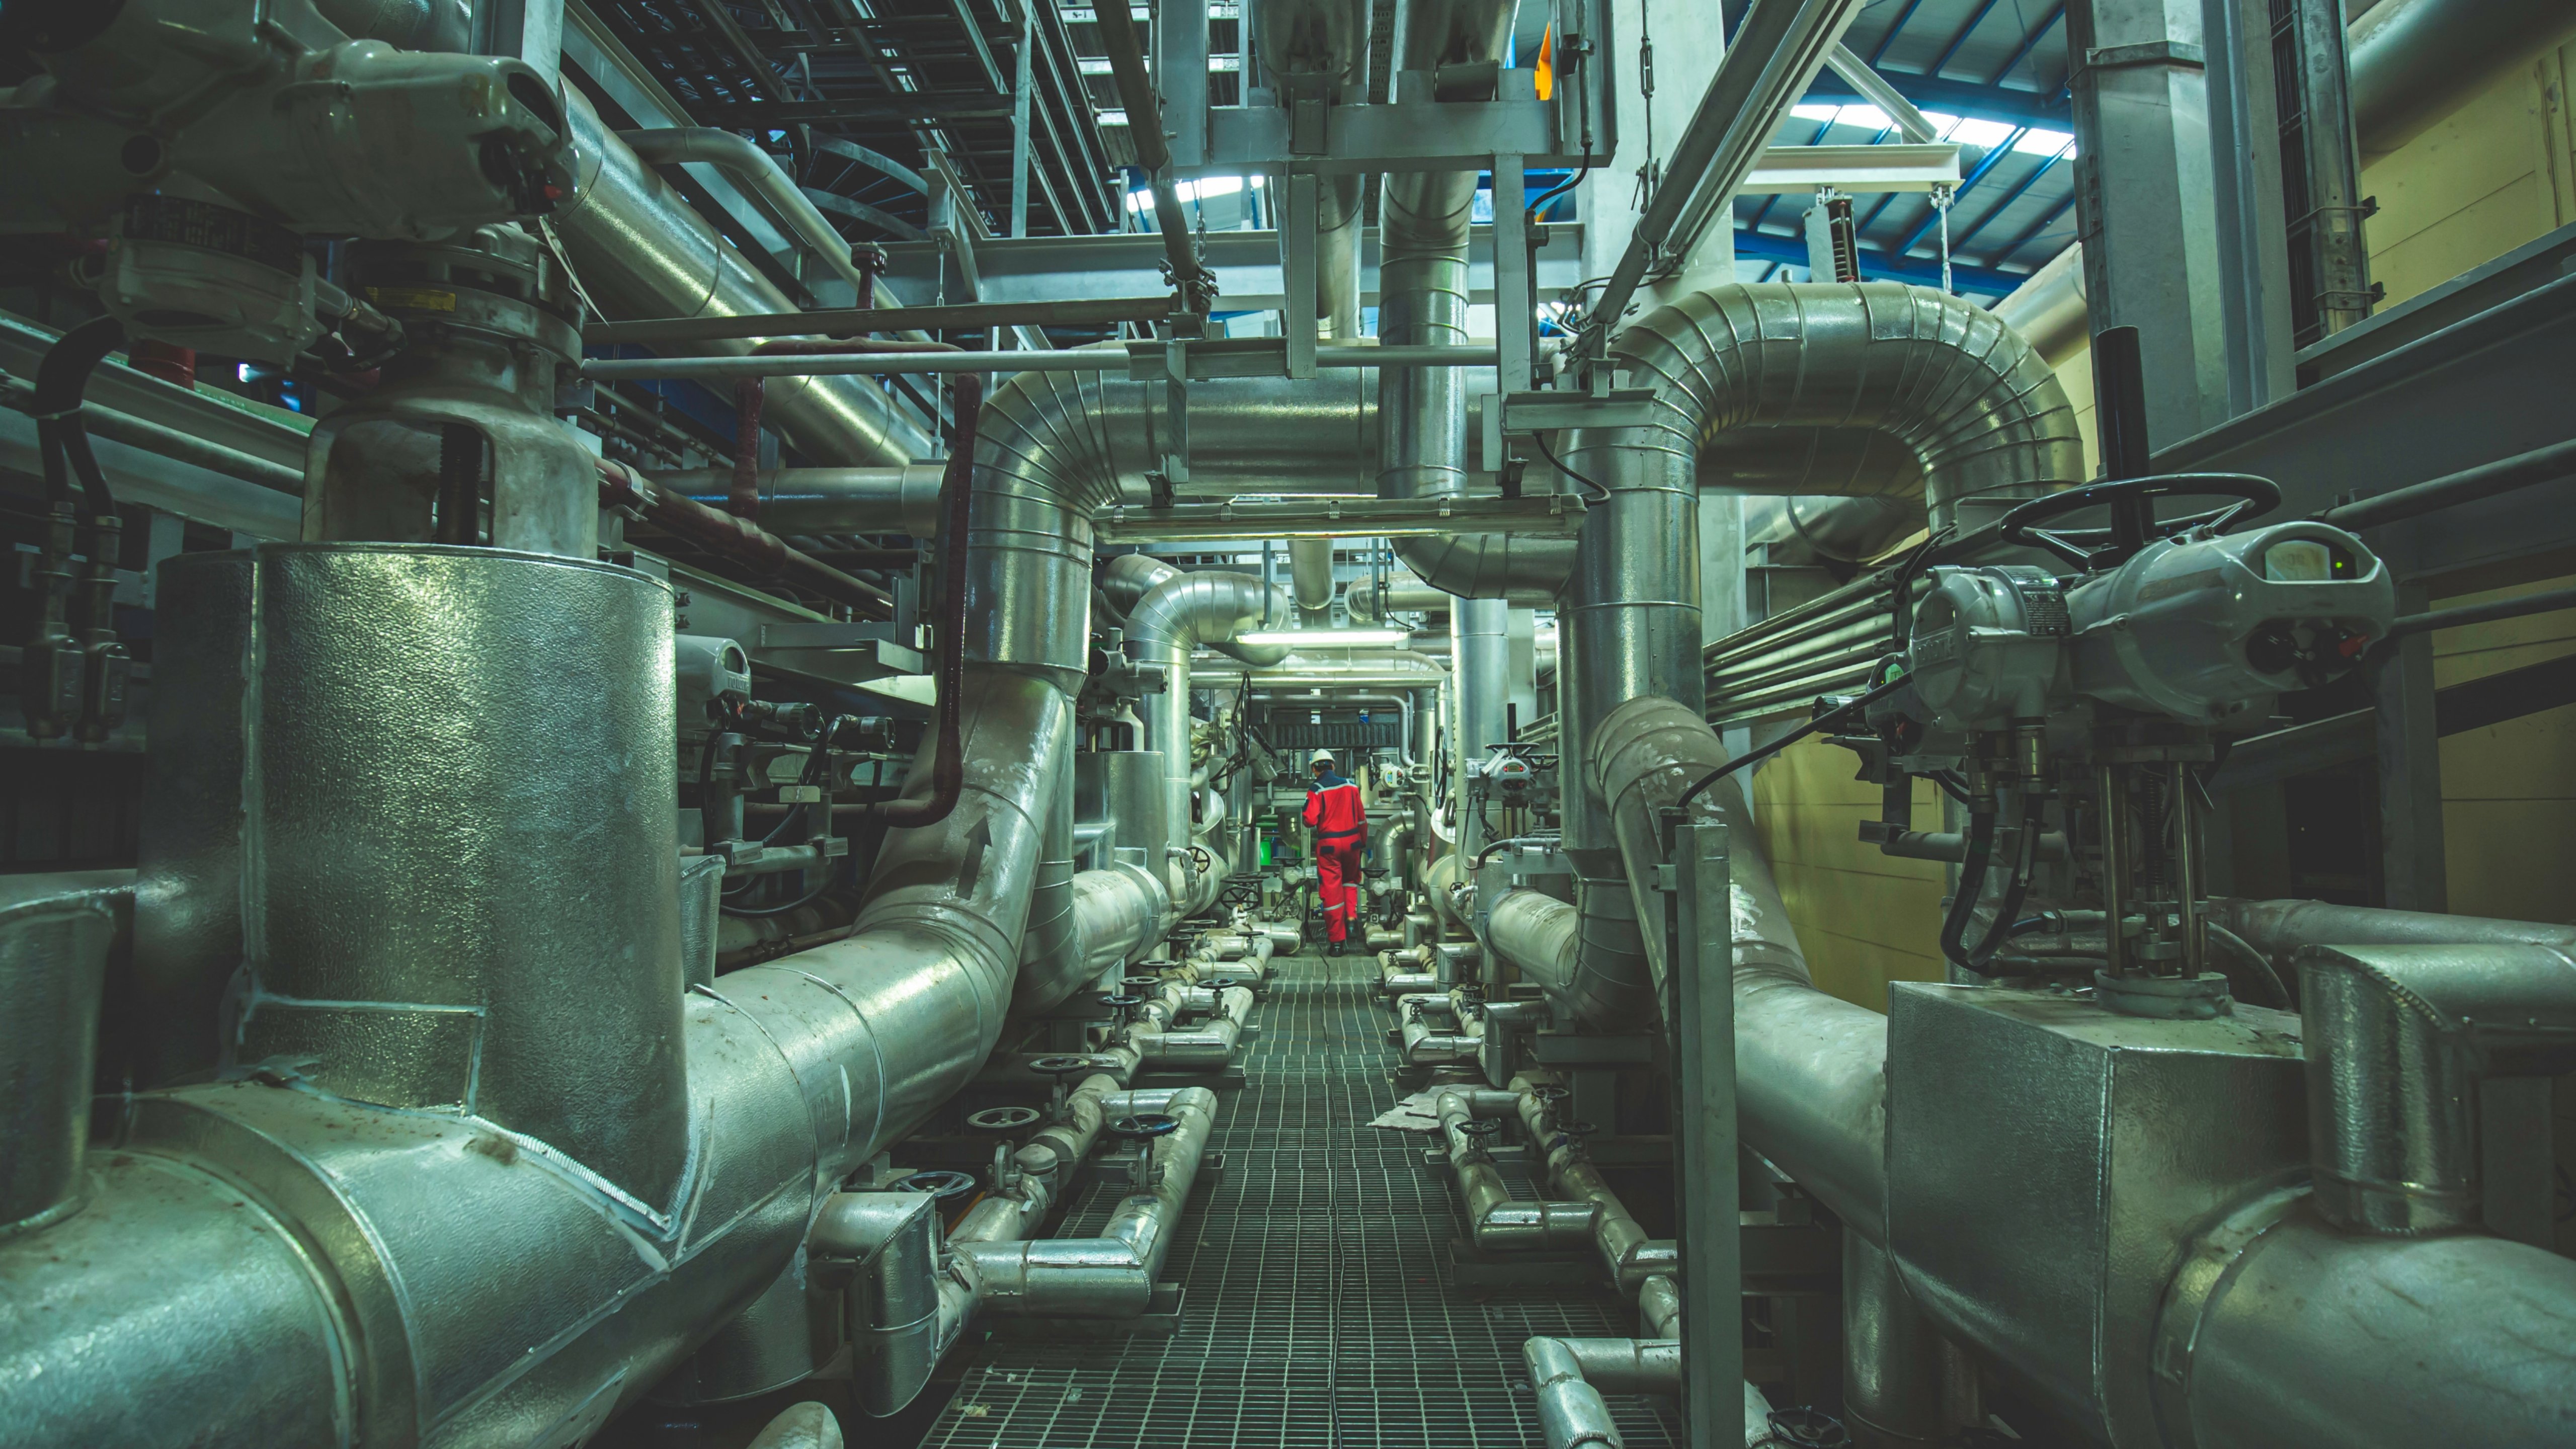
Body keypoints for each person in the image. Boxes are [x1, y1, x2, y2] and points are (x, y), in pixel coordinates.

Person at [1302, 748, 1366, 955]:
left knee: (1332, 892)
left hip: (1329, 846)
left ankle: (1337, 943)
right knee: (1350, 881)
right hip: (1352, 842)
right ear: (1333, 765)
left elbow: (1309, 820)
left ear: (1314, 769)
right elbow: (1362, 820)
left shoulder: (1317, 789)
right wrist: (1361, 844)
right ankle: (1351, 918)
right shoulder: (1351, 786)